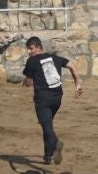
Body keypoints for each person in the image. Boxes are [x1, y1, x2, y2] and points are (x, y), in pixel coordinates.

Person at [23, 36, 81, 166]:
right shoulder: (55, 58)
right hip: (57, 98)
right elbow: (71, 65)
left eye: (30, 48)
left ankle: (56, 144)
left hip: (43, 99)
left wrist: (26, 81)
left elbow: (28, 82)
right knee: (47, 125)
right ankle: (48, 155)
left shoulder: (31, 61)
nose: (28, 51)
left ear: (38, 47)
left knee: (47, 127)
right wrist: (77, 83)